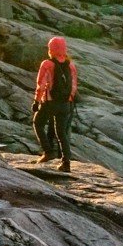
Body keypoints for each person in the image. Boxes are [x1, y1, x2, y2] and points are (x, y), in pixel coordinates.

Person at [32, 35, 78, 172]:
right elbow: (74, 86)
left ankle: (48, 152)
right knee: (62, 133)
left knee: (38, 123)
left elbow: (41, 85)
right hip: (66, 104)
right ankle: (66, 163)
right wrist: (69, 99)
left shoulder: (47, 64)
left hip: (50, 103)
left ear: (50, 49)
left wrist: (36, 101)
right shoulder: (71, 65)